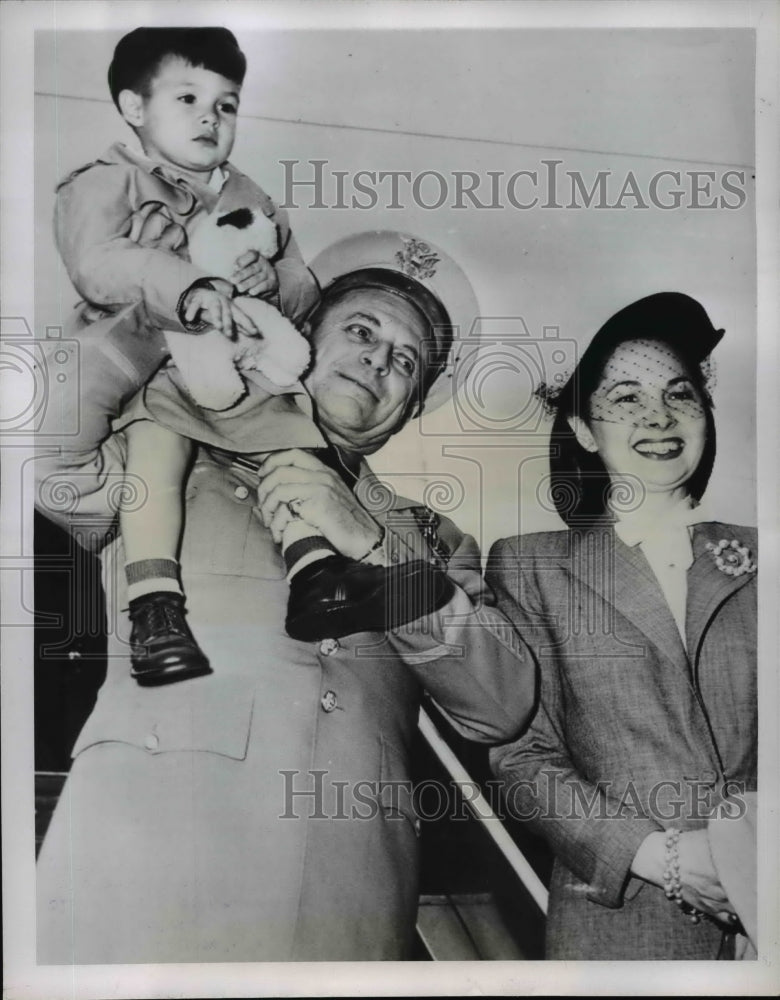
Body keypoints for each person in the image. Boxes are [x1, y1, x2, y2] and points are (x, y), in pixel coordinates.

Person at [34, 228, 537, 963]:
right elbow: (40, 449)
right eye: (361, 331)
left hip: (350, 899)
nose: (378, 360)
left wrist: (367, 541)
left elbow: (501, 703)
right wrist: (172, 306)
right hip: (151, 867)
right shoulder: (170, 445)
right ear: (299, 338)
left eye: (405, 362)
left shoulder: (431, 539)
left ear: (410, 408)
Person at [55, 27, 449, 688]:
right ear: (132, 107)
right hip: (153, 367)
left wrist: (272, 284)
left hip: (234, 367)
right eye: (187, 98)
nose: (210, 117)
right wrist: (187, 288)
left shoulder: (250, 196)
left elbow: (299, 281)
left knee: (293, 441)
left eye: (227, 104)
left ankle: (317, 576)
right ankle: (155, 608)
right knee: (158, 449)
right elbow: (97, 264)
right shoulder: (106, 182)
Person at [487, 292, 757, 960]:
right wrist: (655, 854)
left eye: (680, 393)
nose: (660, 416)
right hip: (625, 926)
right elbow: (522, 759)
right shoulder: (530, 566)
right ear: (583, 429)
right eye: (627, 398)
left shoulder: (765, 557)